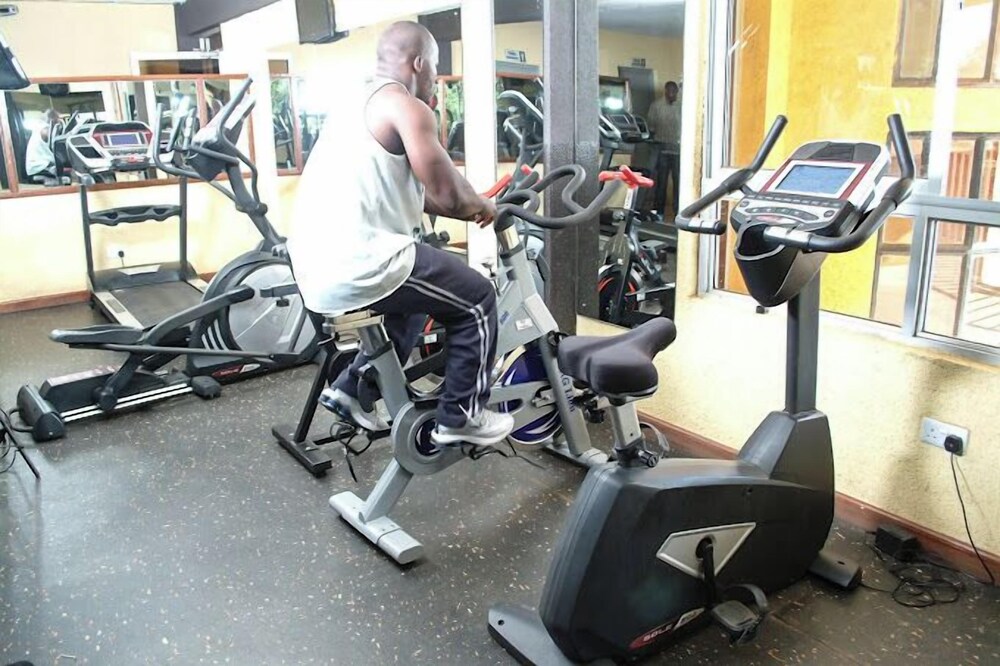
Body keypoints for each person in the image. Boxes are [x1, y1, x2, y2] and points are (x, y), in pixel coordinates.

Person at [288, 21, 514, 448]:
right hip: (362, 260)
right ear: (419, 63)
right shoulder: (406, 106)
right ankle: (462, 415)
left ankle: (353, 388)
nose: (434, 79)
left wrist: (474, 201)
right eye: (435, 69)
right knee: (477, 298)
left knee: (413, 301)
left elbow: (415, 193)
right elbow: (448, 195)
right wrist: (483, 207)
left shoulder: (353, 106)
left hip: (315, 265)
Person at [646, 81, 681, 216]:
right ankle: (658, 213)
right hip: (662, 148)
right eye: (669, 91)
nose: (672, 94)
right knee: (661, 182)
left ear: (677, 92)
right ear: (665, 91)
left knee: (679, 182)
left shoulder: (682, 106)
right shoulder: (656, 106)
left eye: (674, 92)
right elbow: (651, 127)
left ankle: (678, 211)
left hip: (678, 149)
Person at [25, 108, 60, 181]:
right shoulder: (45, 129)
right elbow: (47, 134)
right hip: (39, 168)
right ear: (53, 119)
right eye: (57, 119)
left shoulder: (38, 128)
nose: (59, 121)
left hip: (36, 168)